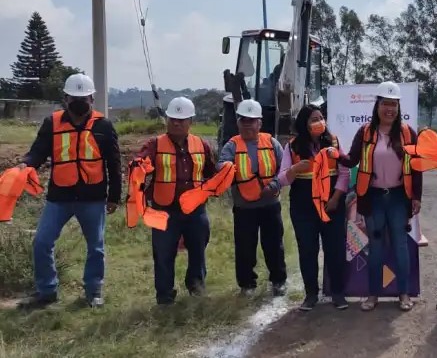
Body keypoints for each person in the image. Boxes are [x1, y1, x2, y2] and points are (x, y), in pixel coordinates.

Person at [17, 73, 122, 309]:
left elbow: (114, 163)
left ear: (92, 99)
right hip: (59, 197)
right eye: (74, 97)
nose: (79, 102)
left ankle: (93, 291)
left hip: (93, 198)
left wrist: (114, 196)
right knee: (42, 242)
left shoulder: (103, 125)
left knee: (96, 247)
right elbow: (38, 151)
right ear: (65, 98)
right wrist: (26, 163)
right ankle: (47, 291)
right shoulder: (51, 123)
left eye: (84, 98)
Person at [338, 81, 423, 311]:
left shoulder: (408, 133)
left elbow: (417, 167)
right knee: (375, 247)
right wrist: (335, 151)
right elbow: (352, 160)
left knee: (400, 246)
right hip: (373, 197)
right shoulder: (365, 132)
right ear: (377, 106)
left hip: (398, 198)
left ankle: (404, 294)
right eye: (385, 103)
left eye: (394, 104)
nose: (389, 109)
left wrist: (417, 197)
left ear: (398, 107)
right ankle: (372, 294)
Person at [136, 96, 217, 305]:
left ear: (191, 121)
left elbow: (211, 173)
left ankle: (196, 287)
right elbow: (140, 166)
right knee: (163, 254)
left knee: (198, 250)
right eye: (173, 119)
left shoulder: (202, 145)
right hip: (163, 210)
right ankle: (164, 297)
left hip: (196, 210)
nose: (176, 123)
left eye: (181, 120)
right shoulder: (154, 144)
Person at [278, 104, 349, 311]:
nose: (319, 122)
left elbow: (344, 173)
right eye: (313, 119)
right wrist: (294, 169)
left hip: (332, 204)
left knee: (334, 249)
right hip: (303, 207)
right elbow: (282, 180)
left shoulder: (333, 142)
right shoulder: (292, 147)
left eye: (321, 118)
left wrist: (336, 198)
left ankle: (337, 293)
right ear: (304, 124)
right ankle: (311, 295)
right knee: (308, 250)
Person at [218, 99, 287, 298]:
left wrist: (274, 185)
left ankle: (278, 281)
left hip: (270, 205)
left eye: (251, 120)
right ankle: (247, 284)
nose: (247, 124)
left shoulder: (271, 142)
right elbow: (222, 165)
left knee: (274, 245)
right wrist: (225, 168)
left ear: (259, 123)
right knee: (245, 248)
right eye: (243, 120)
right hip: (244, 207)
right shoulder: (232, 145)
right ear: (238, 122)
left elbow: (284, 170)